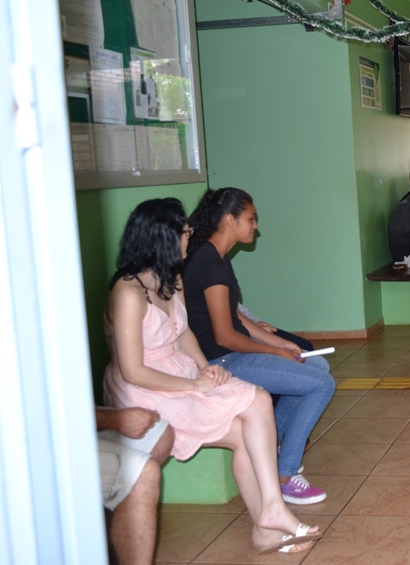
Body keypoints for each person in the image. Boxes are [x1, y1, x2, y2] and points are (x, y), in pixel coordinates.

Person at [104, 198, 321, 554]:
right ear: (163, 237)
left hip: (179, 370)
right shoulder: (128, 292)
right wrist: (194, 383)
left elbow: (183, 333)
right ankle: (270, 515)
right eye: (184, 232)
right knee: (250, 421)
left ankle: (268, 519)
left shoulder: (170, 278)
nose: (190, 237)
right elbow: (133, 371)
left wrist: (204, 366)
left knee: (254, 412)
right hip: (145, 387)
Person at [184, 187, 334, 505]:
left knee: (317, 364)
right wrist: (276, 352)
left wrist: (282, 343)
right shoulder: (209, 264)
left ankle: (267, 450)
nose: (256, 226)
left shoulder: (217, 258)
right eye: (251, 219)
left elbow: (236, 317)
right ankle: (284, 475)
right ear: (229, 220)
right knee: (322, 384)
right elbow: (225, 336)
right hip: (224, 360)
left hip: (233, 353)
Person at [96, 406, 174, 565]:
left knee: (158, 434)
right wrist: (113, 419)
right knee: (142, 470)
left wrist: (113, 416)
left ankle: (111, 546)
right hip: (46, 446)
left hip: (73, 429)